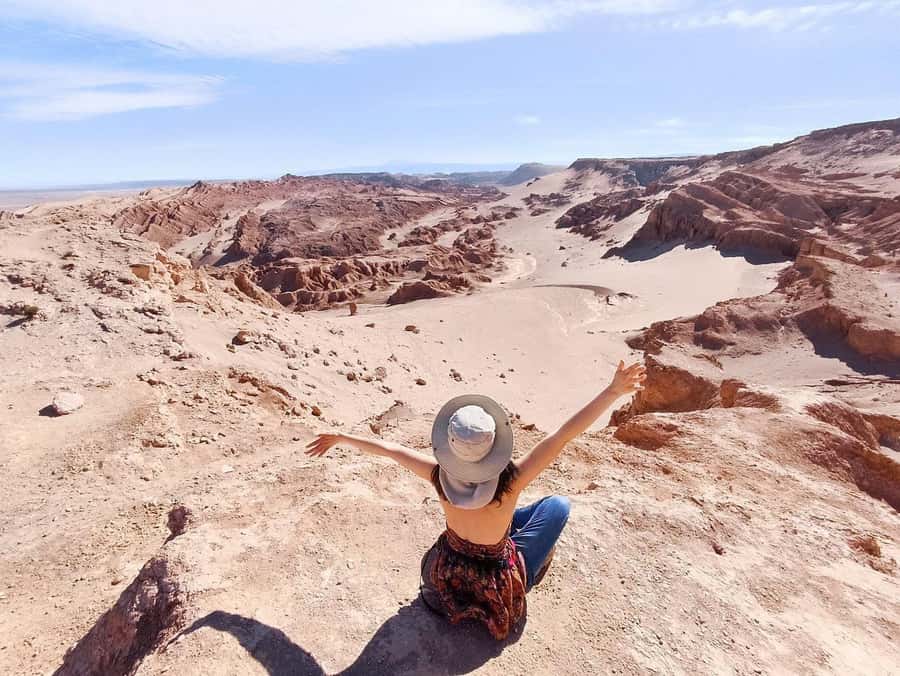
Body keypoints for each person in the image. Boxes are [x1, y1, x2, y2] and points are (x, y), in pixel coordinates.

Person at [305, 360, 647, 640]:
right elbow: (563, 435)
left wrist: (342, 438)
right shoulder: (511, 483)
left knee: (515, 518)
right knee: (557, 506)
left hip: (449, 568)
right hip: (496, 580)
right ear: (495, 448)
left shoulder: (437, 475)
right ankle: (525, 566)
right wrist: (613, 391)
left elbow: (392, 450)